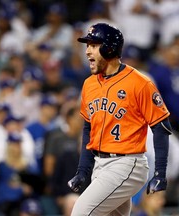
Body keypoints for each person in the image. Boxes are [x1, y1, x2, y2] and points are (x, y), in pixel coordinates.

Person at [67, 22, 172, 216]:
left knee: (80, 213)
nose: (88, 51)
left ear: (109, 48)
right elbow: (88, 129)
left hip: (126, 164)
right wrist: (83, 170)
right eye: (87, 45)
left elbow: (161, 126)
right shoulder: (89, 84)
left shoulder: (139, 83)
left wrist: (160, 173)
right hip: (100, 165)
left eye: (94, 45)